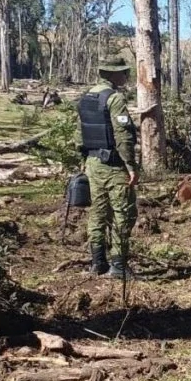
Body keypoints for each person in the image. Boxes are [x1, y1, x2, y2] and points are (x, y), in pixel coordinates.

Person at [77, 54, 139, 279]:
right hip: (113, 165)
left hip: (92, 163)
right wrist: (131, 165)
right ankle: (118, 265)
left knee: (97, 212)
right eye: (123, 71)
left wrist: (83, 161)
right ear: (112, 74)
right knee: (123, 213)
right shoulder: (114, 99)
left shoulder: (86, 98)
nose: (125, 75)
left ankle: (97, 262)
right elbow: (123, 136)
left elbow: (80, 134)